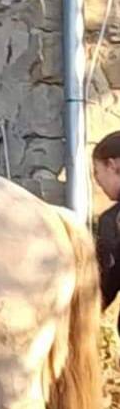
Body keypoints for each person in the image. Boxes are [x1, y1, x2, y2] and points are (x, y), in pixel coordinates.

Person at [93, 131, 120, 312]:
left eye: (96, 172)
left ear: (111, 165)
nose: (97, 181)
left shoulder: (113, 220)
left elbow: (109, 280)